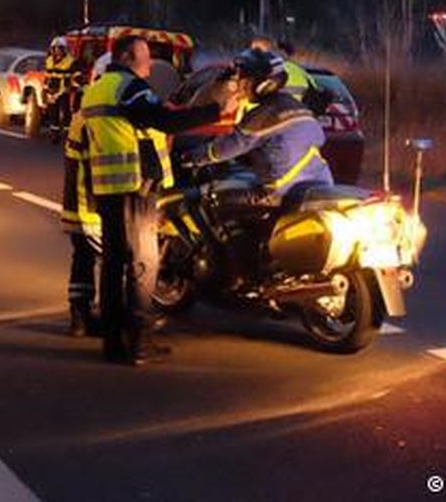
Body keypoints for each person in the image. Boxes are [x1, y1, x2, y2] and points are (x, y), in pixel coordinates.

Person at [83, 35, 220, 365]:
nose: (149, 65)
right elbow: (164, 120)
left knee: (114, 265)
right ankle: (140, 343)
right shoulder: (128, 87)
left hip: (109, 189)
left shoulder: (97, 89)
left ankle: (114, 344)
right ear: (128, 57)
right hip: (136, 188)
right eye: (145, 58)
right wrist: (216, 110)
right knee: (144, 266)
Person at [181, 49, 335, 283]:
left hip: (280, 190)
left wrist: (194, 157)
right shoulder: (295, 105)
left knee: (220, 201)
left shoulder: (264, 114)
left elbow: (230, 146)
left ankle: (246, 275)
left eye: (245, 79)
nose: (240, 85)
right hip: (318, 183)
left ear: (260, 84)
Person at [59, 108, 102, 337]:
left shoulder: (81, 115)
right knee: (114, 262)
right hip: (94, 206)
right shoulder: (102, 116)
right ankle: (110, 316)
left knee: (82, 259)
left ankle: (79, 317)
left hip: (76, 203)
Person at [248, 35, 313, 104]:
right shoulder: (299, 71)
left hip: (262, 112)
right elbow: (314, 92)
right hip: (296, 111)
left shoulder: (253, 70)